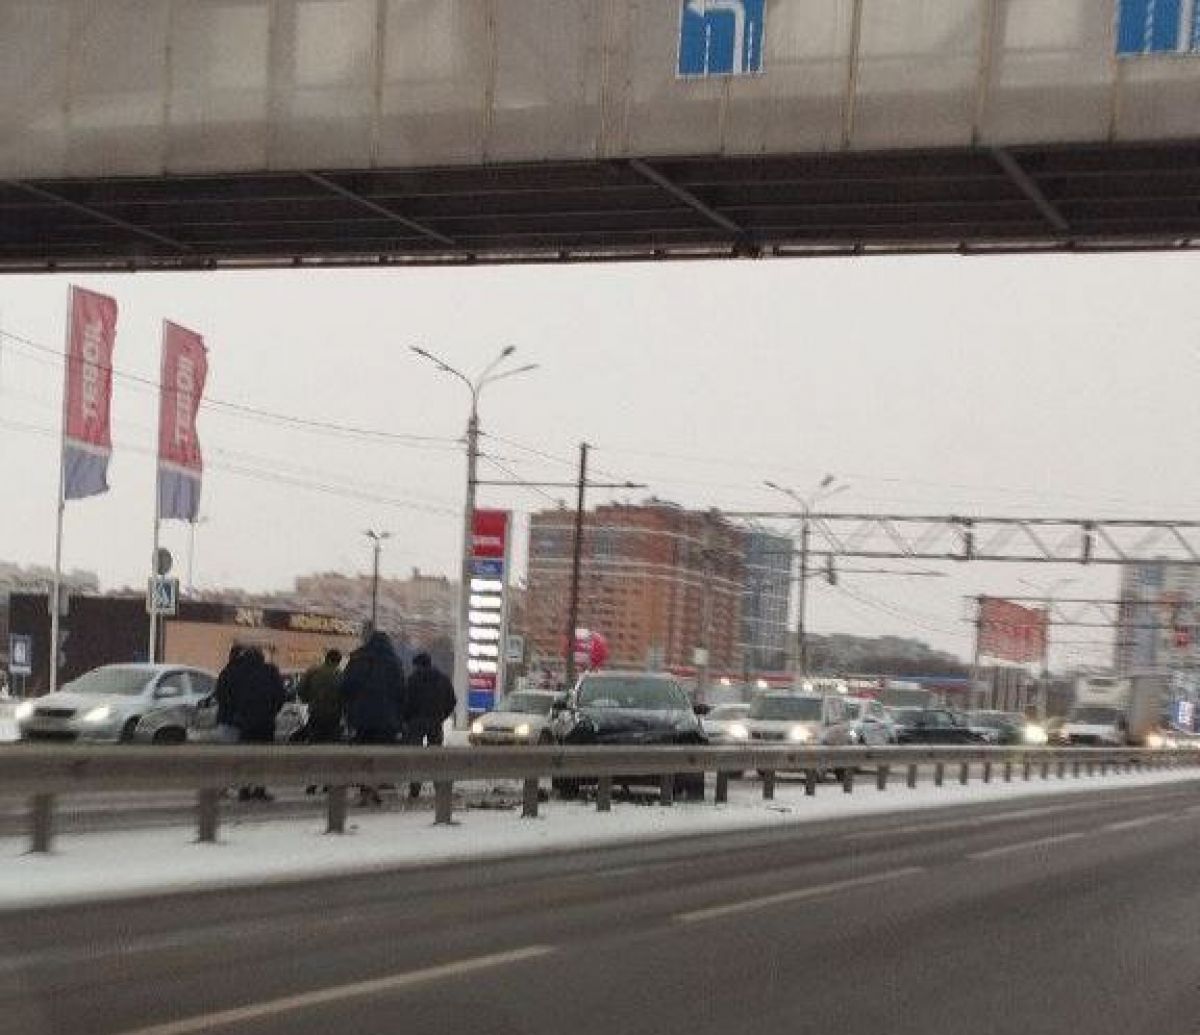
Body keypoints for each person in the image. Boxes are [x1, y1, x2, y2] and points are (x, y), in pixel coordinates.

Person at [339, 631, 407, 804]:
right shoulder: (394, 662)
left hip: (361, 717)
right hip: (387, 718)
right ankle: (374, 787)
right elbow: (401, 692)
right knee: (381, 753)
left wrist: (350, 709)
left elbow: (346, 687)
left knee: (363, 752)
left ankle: (365, 789)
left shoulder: (357, 659)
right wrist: (399, 717)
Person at [230, 647, 286, 801]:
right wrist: (272, 711)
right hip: (265, 721)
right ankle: (259, 789)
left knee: (246, 756)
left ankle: (244, 789)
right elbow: (280, 696)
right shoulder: (270, 671)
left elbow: (232, 696)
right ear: (262, 658)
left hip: (246, 722)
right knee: (263, 757)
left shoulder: (240, 672)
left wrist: (239, 713)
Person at [403, 652, 456, 799]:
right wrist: (441, 716)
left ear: (417, 665)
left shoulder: (412, 680)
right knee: (435, 756)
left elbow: (406, 701)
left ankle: (415, 789)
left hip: (416, 722)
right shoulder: (443, 679)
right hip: (435, 722)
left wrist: (407, 719)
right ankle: (439, 788)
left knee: (416, 756)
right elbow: (451, 700)